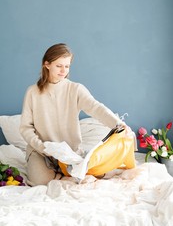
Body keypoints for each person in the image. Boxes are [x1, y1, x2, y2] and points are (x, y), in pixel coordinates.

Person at [20, 43, 132, 186]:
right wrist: (42, 147)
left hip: (69, 152)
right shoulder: (32, 92)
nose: (63, 71)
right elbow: (25, 128)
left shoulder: (75, 89)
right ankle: (62, 174)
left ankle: (66, 172)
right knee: (41, 182)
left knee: (95, 170)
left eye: (67, 66)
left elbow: (96, 108)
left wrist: (118, 124)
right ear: (47, 64)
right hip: (41, 151)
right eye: (59, 66)